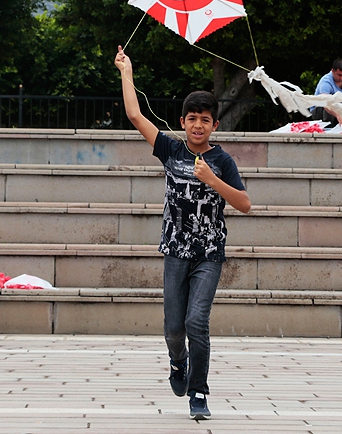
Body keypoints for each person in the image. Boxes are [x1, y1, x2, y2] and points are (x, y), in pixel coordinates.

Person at [114, 45, 251, 421]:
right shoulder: (171, 151)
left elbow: (244, 204)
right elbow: (134, 114)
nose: (197, 125)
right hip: (176, 250)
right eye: (192, 118)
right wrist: (127, 70)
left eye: (205, 120)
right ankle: (178, 362)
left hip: (209, 253)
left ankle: (199, 391)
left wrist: (213, 180)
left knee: (196, 323)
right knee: (174, 329)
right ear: (183, 121)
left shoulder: (222, 161)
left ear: (214, 126)